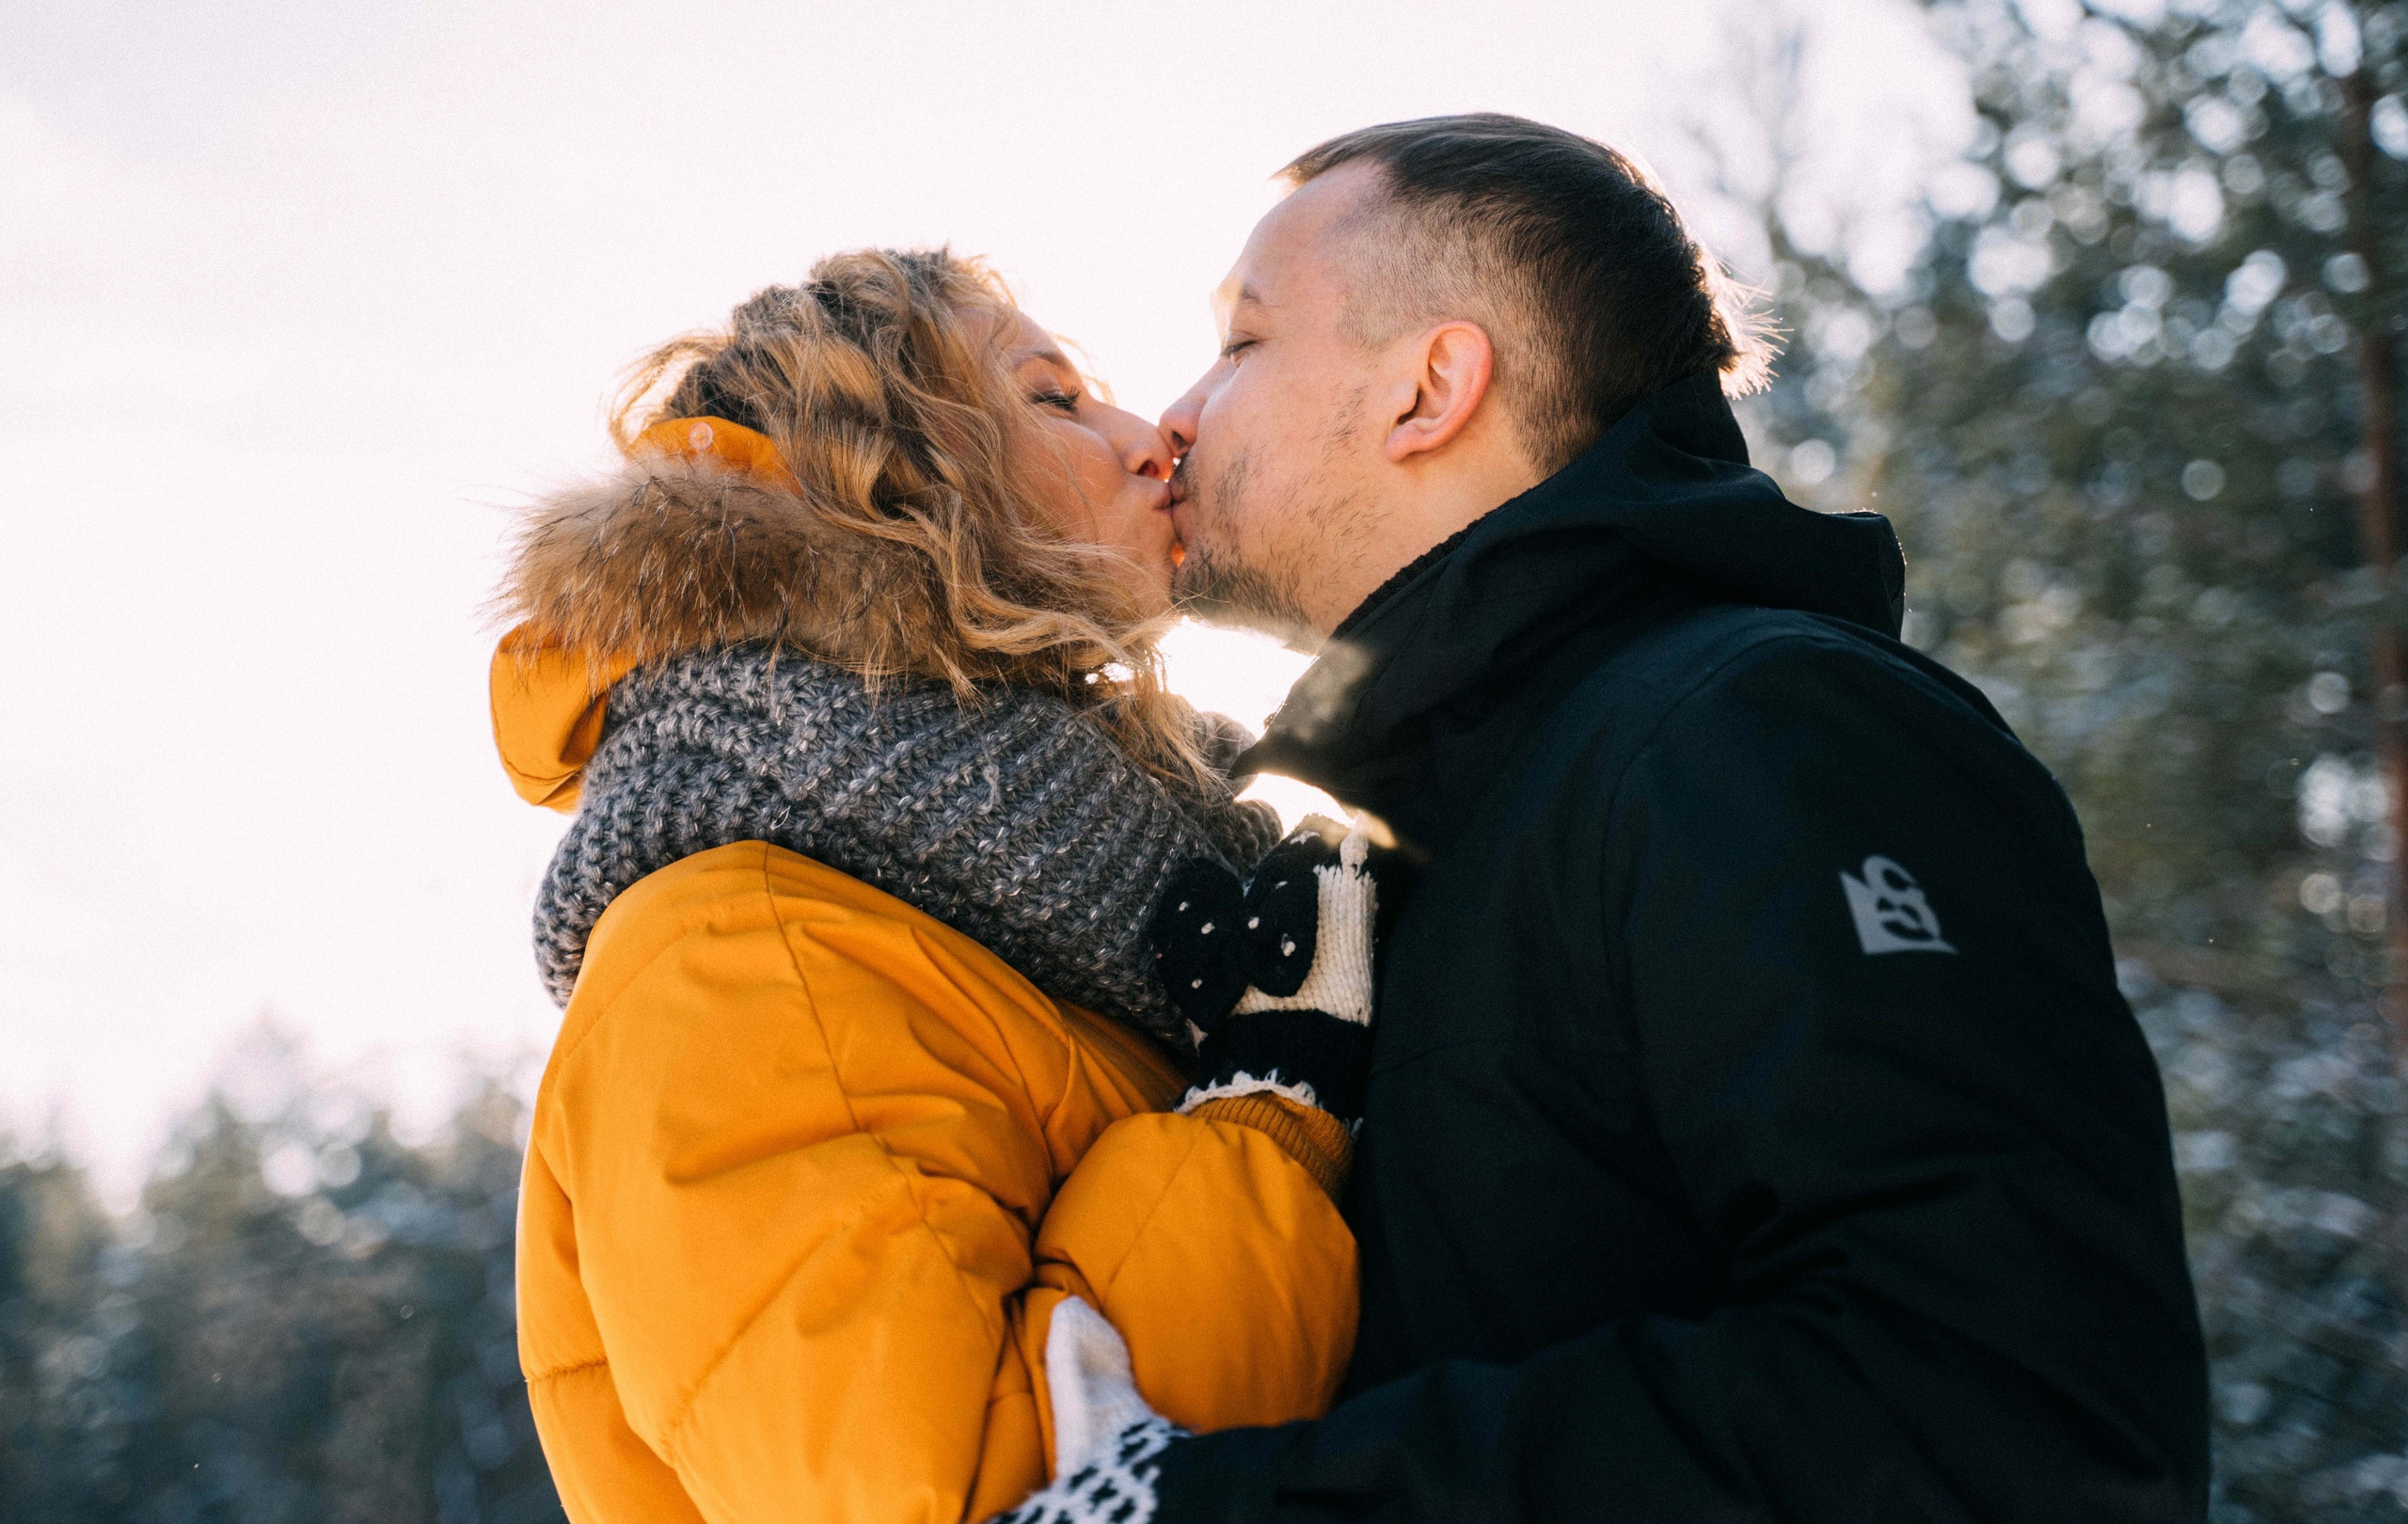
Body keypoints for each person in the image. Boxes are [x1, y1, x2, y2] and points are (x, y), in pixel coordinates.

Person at [996, 116, 2210, 1523]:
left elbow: (2008, 1420)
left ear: (1429, 388)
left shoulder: (1769, 734)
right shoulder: (1398, 839)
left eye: (1246, 342)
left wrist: (1218, 1510)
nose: (1181, 414)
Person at [486, 248, 1379, 1524]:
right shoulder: (736, 959)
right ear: (897, 485)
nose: (1153, 439)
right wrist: (1265, 1120)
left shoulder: (1049, 883)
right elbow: (962, 1496)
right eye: (1056, 398)